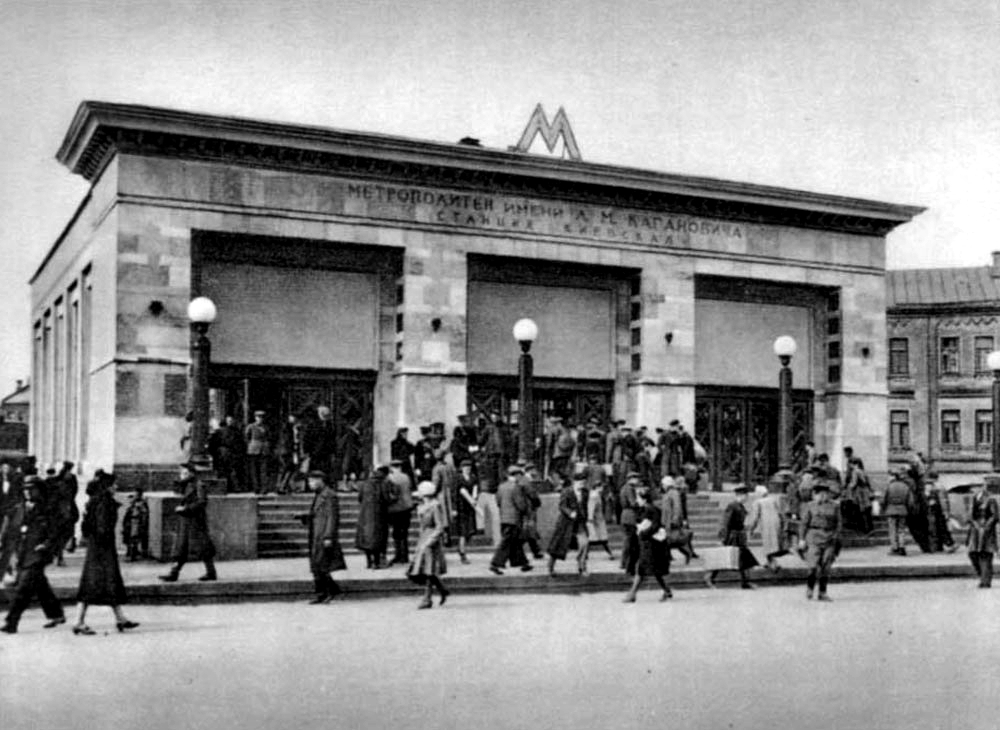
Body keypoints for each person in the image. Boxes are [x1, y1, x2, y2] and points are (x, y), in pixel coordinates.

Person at [72, 472, 138, 635]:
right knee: (95, 584)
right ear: (107, 486)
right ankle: (79, 622)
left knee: (106, 583)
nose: (116, 487)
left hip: (97, 547)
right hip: (102, 548)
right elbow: (102, 527)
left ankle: (120, 619)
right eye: (114, 484)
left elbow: (87, 527)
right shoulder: (104, 502)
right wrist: (105, 540)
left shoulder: (95, 501)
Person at [1, 476, 66, 634]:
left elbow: (58, 531)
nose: (28, 492)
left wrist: (47, 544)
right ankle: (55, 614)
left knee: (23, 588)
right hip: (23, 553)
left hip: (39, 553)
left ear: (40, 490)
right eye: (25, 489)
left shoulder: (49, 509)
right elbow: (9, 531)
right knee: (39, 584)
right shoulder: (18, 509)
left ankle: (11, 622)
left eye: (32, 489)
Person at [159, 462, 217, 583]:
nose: (181, 475)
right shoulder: (185, 485)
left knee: (203, 547)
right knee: (181, 547)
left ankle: (211, 572)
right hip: (186, 520)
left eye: (184, 473)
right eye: (181, 472)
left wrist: (186, 509)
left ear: (191, 473)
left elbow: (202, 502)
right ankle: (174, 573)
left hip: (195, 520)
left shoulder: (199, 485)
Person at [297, 470, 346, 603]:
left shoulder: (329, 495)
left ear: (320, 480)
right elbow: (318, 513)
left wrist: (328, 536)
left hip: (323, 534)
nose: (310, 484)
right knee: (317, 564)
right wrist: (306, 517)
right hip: (316, 533)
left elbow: (332, 517)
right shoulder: (320, 494)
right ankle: (324, 592)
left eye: (312, 481)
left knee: (321, 564)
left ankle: (327, 592)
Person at [623, 486, 672, 603]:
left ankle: (632, 594)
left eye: (638, 498)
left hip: (652, 545)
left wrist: (643, 533)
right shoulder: (645, 509)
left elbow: (655, 526)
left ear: (644, 499)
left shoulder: (652, 509)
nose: (637, 500)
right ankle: (667, 590)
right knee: (654, 571)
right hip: (648, 544)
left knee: (642, 569)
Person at [705, 485, 759, 589]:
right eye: (746, 495)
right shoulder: (732, 506)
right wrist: (723, 538)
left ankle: (745, 582)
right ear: (741, 495)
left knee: (743, 559)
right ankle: (710, 577)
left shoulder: (740, 506)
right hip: (732, 536)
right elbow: (726, 522)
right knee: (723, 557)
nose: (747, 498)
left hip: (739, 536)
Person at [407, 481, 450, 609]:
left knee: (429, 569)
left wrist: (430, 541)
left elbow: (439, 526)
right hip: (423, 538)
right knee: (423, 569)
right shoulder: (422, 507)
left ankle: (427, 598)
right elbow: (422, 526)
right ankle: (442, 589)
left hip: (431, 540)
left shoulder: (435, 506)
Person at [798, 480, 842, 601]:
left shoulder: (835, 506)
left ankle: (822, 592)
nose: (822, 496)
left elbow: (839, 523)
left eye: (825, 493)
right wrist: (801, 539)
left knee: (826, 566)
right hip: (813, 537)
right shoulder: (810, 506)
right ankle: (810, 588)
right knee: (812, 565)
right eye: (819, 493)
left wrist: (836, 536)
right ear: (814, 494)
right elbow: (803, 524)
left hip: (830, 537)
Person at [489, 465, 533, 575]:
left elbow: (498, 501)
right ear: (516, 475)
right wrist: (527, 512)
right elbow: (520, 504)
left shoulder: (501, 487)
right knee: (507, 542)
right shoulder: (516, 487)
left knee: (515, 542)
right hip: (514, 519)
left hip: (504, 518)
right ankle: (495, 563)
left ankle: (523, 563)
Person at [546, 469, 588, 576]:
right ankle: (551, 567)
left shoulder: (585, 492)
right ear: (574, 482)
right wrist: (570, 513)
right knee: (558, 546)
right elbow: (562, 506)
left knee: (585, 543)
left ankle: (582, 566)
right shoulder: (567, 491)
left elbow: (585, 507)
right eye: (580, 483)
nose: (582, 485)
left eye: (583, 482)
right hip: (566, 523)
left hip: (579, 522)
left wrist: (585, 518)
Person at [748, 473, 789, 572]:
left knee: (768, 545)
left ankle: (774, 564)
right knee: (773, 544)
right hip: (776, 523)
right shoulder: (773, 500)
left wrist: (751, 529)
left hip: (766, 525)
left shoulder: (758, 502)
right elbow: (781, 513)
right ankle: (770, 562)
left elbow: (755, 517)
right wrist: (784, 524)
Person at [966, 480, 999, 589]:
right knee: (972, 553)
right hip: (975, 530)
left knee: (985, 554)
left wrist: (986, 527)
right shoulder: (974, 498)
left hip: (986, 530)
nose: (974, 489)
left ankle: (985, 581)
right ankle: (983, 575)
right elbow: (970, 514)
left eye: (977, 486)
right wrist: (974, 524)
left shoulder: (991, 499)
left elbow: (994, 516)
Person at [356, 465, 390, 569]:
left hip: (365, 515)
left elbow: (359, 498)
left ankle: (368, 562)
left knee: (367, 538)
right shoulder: (383, 484)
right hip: (379, 514)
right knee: (378, 538)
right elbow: (386, 499)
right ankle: (376, 562)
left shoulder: (363, 484)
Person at [386, 460, 414, 565]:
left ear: (392, 467)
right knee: (404, 532)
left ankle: (398, 555)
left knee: (396, 533)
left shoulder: (390, 478)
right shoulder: (406, 477)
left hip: (395, 508)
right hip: (407, 507)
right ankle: (405, 556)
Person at [453, 459, 480, 564]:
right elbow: (455, 493)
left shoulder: (473, 478)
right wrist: (454, 508)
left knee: (470, 531)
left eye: (469, 467)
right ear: (462, 468)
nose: (467, 469)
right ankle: (462, 552)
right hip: (461, 508)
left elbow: (476, 488)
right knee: (463, 532)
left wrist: (474, 497)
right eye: (465, 467)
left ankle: (461, 548)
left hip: (470, 507)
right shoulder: (458, 478)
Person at [881, 467, 913, 556]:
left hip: (891, 510)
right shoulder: (906, 487)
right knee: (901, 530)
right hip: (903, 510)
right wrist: (908, 509)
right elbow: (910, 501)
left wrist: (883, 508)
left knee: (892, 530)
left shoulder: (889, 486)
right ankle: (902, 547)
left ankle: (894, 548)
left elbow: (884, 499)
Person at [584, 476, 615, 563]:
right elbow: (591, 508)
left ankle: (585, 554)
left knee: (596, 539)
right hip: (596, 520)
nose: (602, 489)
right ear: (597, 487)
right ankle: (609, 554)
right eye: (601, 487)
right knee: (599, 538)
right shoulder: (594, 496)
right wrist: (590, 518)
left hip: (597, 519)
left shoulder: (596, 495)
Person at [925, 470, 957, 553]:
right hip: (939, 510)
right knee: (942, 528)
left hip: (933, 510)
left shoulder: (929, 486)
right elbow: (943, 500)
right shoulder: (939, 486)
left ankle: (941, 545)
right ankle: (949, 544)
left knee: (937, 528)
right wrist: (946, 512)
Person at [517, 463, 544, 561]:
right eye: (534, 469)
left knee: (530, 530)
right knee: (529, 530)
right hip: (529, 509)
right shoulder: (526, 481)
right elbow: (533, 495)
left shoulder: (526, 480)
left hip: (528, 509)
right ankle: (534, 551)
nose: (535, 472)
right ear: (530, 470)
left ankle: (536, 551)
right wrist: (537, 503)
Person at [303, 406, 337, 480]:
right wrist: (307, 451)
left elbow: (332, 439)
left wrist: (333, 451)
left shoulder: (330, 426)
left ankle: (325, 482)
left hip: (326, 451)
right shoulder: (312, 425)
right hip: (315, 451)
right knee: (314, 469)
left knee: (325, 468)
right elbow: (307, 439)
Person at [244, 410, 272, 495]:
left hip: (264, 450)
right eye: (258, 417)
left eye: (262, 417)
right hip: (253, 450)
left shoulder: (266, 427)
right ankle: (256, 488)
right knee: (254, 471)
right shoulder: (251, 427)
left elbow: (269, 437)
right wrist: (251, 445)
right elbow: (246, 437)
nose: (260, 419)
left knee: (263, 470)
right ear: (255, 418)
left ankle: (264, 488)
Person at [619, 473, 641, 574]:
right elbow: (633, 503)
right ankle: (625, 562)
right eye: (636, 478)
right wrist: (641, 503)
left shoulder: (625, 488)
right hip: (630, 517)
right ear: (630, 479)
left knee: (628, 541)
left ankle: (624, 562)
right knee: (629, 541)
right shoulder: (629, 489)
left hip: (626, 516)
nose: (637, 480)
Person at [121, 486, 150, 561]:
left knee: (134, 539)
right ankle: (131, 553)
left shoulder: (141, 503)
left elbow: (144, 513)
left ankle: (132, 555)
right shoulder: (133, 502)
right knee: (129, 538)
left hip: (136, 522)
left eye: (137, 494)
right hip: (130, 522)